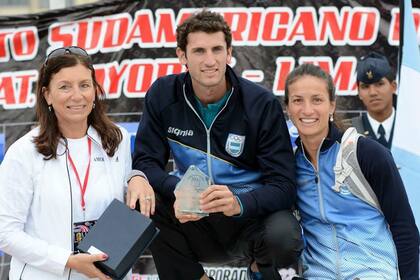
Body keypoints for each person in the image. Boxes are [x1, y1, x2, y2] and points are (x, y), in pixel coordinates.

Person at [128, 10, 303, 280]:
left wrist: (238, 202)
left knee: (284, 230)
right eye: (199, 51)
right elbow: (146, 161)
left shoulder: (261, 104)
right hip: (193, 218)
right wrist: (179, 191)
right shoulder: (163, 94)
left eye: (217, 49)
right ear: (182, 56)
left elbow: (284, 186)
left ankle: (260, 271)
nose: (210, 61)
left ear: (229, 53)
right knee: (143, 202)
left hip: (248, 220)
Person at [0, 46, 151, 280]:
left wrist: (136, 176)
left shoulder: (116, 140)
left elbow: (125, 204)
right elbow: (5, 233)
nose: (77, 96)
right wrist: (67, 261)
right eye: (64, 87)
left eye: (84, 85)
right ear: (47, 94)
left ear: (94, 90)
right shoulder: (23, 152)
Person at [284, 63, 419, 279]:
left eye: (317, 100)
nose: (307, 110)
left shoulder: (365, 153)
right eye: (298, 100)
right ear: (288, 108)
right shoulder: (289, 163)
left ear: (332, 106)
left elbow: (404, 227)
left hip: (372, 272)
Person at [350, 52, 397, 148]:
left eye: (379, 84)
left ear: (393, 87)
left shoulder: (413, 128)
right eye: (365, 86)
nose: (373, 93)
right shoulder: (348, 132)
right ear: (359, 92)